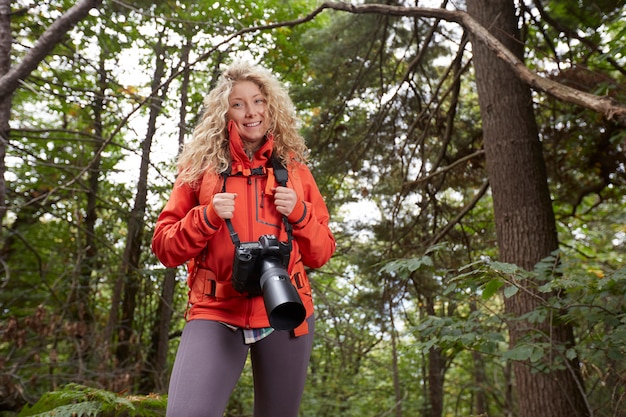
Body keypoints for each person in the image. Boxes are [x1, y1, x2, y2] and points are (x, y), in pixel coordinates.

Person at [151, 61, 336, 417]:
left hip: (285, 308)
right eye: (238, 103)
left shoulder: (294, 169)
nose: (251, 112)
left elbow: (322, 251)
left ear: (271, 105)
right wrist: (205, 217)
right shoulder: (198, 169)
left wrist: (299, 213)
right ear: (225, 112)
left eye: (258, 101)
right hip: (216, 308)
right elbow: (165, 248)